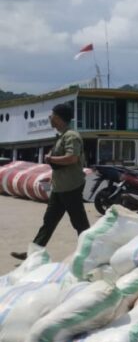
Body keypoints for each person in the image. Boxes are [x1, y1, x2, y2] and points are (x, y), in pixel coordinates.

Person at [12, 103, 90, 259]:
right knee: (49, 221)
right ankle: (33, 253)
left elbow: (72, 158)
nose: (50, 118)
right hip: (59, 187)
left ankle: (91, 251)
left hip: (71, 186)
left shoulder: (71, 136)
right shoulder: (62, 136)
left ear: (59, 118)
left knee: (79, 223)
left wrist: (51, 158)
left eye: (52, 115)